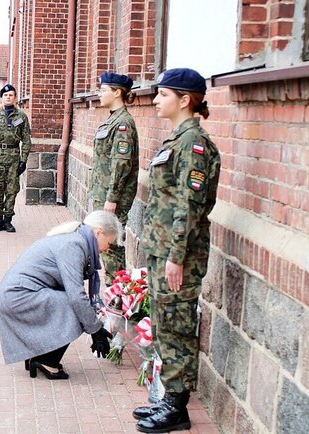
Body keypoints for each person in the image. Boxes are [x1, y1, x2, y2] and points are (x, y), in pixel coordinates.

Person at [133, 68, 221, 433]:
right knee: (166, 324)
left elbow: (189, 205)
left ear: (185, 100)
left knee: (177, 326)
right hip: (163, 250)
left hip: (178, 255)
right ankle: (168, 398)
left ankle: (176, 407)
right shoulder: (177, 140)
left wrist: (176, 257)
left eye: (163, 94)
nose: (155, 100)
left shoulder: (193, 145)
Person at [0, 210, 121, 380]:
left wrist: (94, 327)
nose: (108, 249)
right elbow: (76, 296)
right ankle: (47, 360)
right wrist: (95, 330)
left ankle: (39, 355)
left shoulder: (74, 238)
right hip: (18, 297)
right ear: (99, 232)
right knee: (75, 308)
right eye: (109, 243)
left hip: (16, 294)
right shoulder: (74, 245)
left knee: (72, 305)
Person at [88, 72, 139, 285]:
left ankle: (116, 295)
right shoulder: (113, 119)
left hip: (112, 198)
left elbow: (121, 164)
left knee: (111, 248)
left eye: (103, 90)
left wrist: (112, 198)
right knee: (105, 247)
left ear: (117, 92)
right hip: (103, 193)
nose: (99, 94)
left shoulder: (123, 123)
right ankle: (113, 293)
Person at [0, 84, 31, 233]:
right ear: (1, 98)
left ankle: (8, 220)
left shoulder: (21, 117)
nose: (8, 97)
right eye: (5, 95)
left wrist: (23, 160)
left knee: (11, 190)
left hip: (14, 158)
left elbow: (26, 140)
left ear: (15, 98)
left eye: (11, 95)